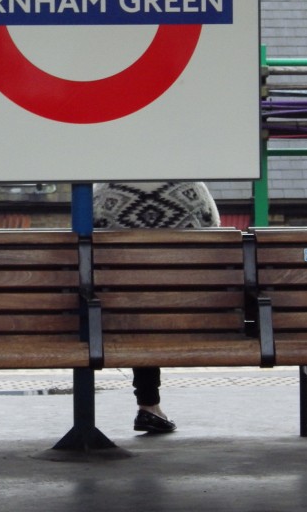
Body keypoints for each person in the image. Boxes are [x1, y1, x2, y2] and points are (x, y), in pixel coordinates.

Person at [91, 180, 221, 434]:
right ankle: (150, 407)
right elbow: (214, 229)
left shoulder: (104, 191)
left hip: (121, 312)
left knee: (139, 308)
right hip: (191, 308)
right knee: (153, 306)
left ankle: (149, 405)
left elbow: (86, 239)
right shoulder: (193, 188)